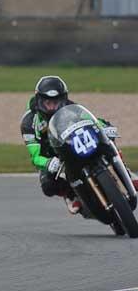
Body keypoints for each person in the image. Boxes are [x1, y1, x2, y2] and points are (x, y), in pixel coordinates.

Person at [20, 75, 137, 214]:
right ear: (39, 99)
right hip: (50, 154)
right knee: (48, 185)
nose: (52, 105)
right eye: (47, 101)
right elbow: (35, 156)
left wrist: (104, 127)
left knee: (106, 142)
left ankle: (126, 172)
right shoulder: (28, 122)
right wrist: (47, 163)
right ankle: (71, 195)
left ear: (63, 98)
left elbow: (89, 120)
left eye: (55, 101)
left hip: (70, 142)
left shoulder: (69, 106)